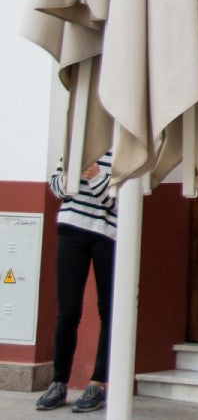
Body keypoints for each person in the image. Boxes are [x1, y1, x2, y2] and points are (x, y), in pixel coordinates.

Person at [34, 151, 116, 413]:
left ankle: (97, 383)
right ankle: (58, 382)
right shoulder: (78, 141)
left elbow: (117, 203)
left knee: (108, 310)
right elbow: (57, 188)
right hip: (71, 227)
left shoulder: (122, 146)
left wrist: (96, 176)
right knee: (67, 310)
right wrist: (70, 176)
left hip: (108, 233)